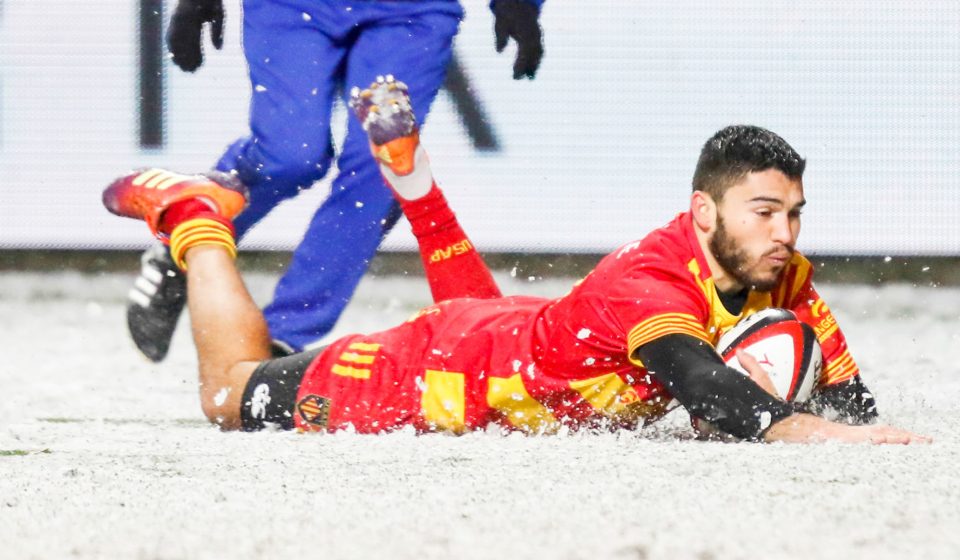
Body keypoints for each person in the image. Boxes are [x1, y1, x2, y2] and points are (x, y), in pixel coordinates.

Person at [103, 79, 929, 444]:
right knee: (228, 392)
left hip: (510, 339)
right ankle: (194, 218)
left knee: (506, 335)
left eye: (792, 213)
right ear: (704, 212)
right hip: (429, 376)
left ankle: (413, 182)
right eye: (764, 212)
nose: (785, 232)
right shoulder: (652, 281)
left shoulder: (778, 271)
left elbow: (846, 391)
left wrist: (856, 422)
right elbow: (709, 386)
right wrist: (802, 426)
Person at [127, 0, 547, 361]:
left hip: (411, 14)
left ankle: (279, 342)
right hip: (291, 7)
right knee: (290, 155)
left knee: (383, 164)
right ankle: (187, 233)